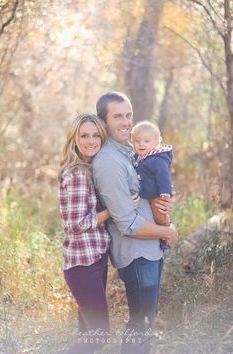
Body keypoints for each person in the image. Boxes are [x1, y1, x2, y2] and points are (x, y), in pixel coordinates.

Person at [92, 92, 178, 354]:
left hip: (149, 249)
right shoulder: (108, 161)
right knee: (140, 322)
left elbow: (149, 190)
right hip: (136, 252)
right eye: (117, 116)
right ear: (103, 121)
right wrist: (167, 231)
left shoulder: (130, 150)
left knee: (145, 320)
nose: (126, 122)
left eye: (128, 115)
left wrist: (163, 204)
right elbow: (126, 222)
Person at [58, 114, 111, 354]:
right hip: (82, 265)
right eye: (84, 135)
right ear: (74, 139)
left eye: (95, 134)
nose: (91, 140)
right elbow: (76, 224)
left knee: (87, 335)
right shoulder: (77, 173)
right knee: (99, 336)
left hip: (95, 257)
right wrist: (112, 211)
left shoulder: (89, 169)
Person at [131, 120, 173, 251]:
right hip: (145, 195)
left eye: (146, 141)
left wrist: (165, 192)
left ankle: (166, 237)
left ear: (156, 143)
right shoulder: (138, 157)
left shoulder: (157, 159)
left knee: (160, 217)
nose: (141, 144)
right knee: (150, 219)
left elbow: (164, 176)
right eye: (137, 141)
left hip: (156, 196)